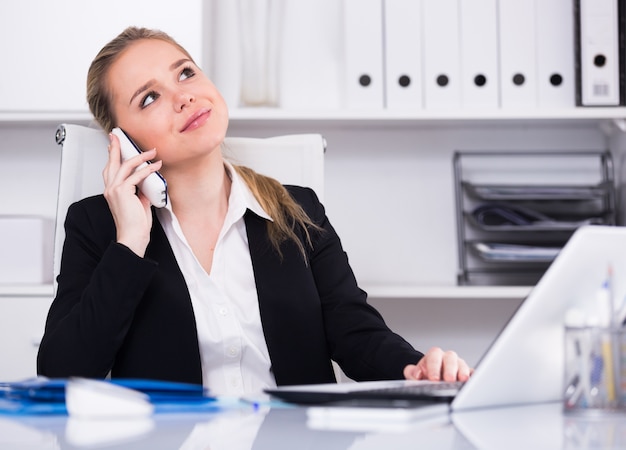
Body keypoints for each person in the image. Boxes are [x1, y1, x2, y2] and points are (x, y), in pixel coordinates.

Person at [37, 27, 472, 396]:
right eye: (149, 98)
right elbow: (62, 376)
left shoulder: (298, 210)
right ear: (121, 141)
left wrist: (416, 370)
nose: (183, 97)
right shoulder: (96, 226)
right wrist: (130, 242)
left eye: (186, 73)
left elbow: (355, 333)